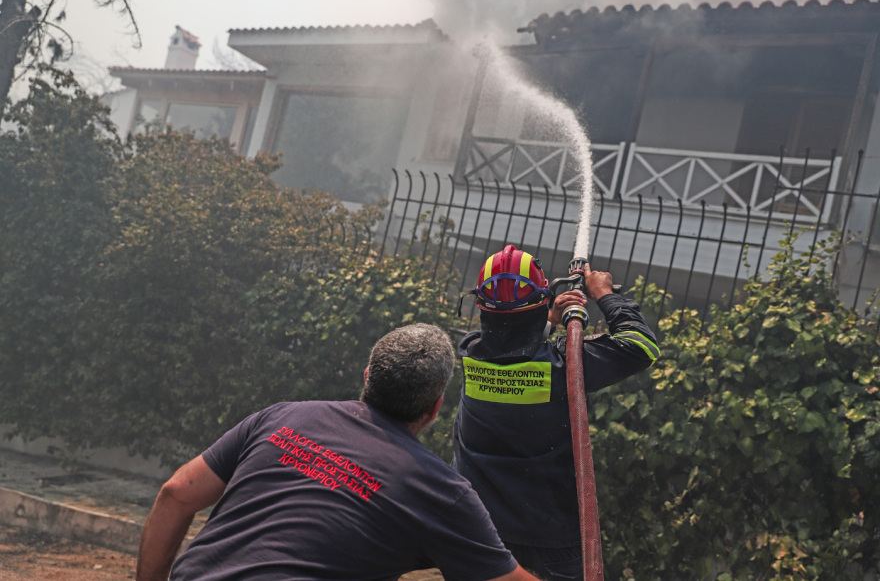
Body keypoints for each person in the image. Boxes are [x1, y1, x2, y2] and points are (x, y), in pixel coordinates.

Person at [136, 323, 541, 581]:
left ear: (367, 377)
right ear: (435, 408)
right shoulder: (439, 489)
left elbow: (176, 493)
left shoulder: (282, 418)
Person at [453, 245, 660, 580]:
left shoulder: (471, 356)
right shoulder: (566, 368)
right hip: (551, 544)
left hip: (481, 534)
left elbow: (511, 340)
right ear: (542, 300)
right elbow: (641, 347)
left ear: (481, 307)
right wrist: (604, 294)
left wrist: (546, 319)